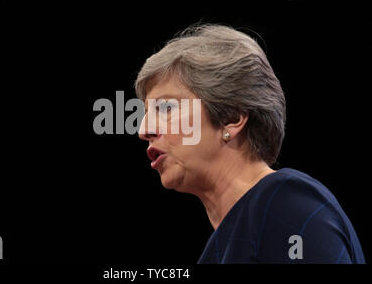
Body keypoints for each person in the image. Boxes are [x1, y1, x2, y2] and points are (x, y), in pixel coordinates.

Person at [135, 24, 365, 263]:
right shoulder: (220, 250)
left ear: (231, 118)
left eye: (166, 108)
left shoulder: (284, 205)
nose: (144, 130)